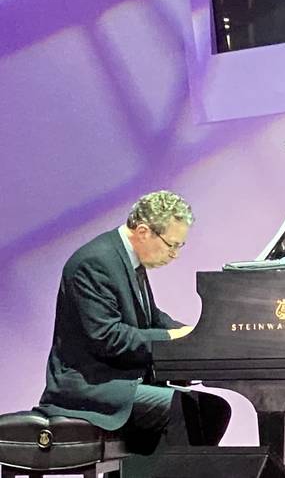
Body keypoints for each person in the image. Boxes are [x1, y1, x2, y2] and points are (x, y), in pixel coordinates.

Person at [38, 190, 230, 452]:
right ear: (143, 232)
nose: (175, 254)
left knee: (214, 409)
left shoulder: (128, 259)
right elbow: (108, 337)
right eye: (171, 244)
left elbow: (151, 317)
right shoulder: (94, 262)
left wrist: (193, 334)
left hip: (120, 380)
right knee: (184, 410)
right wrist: (172, 338)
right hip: (90, 386)